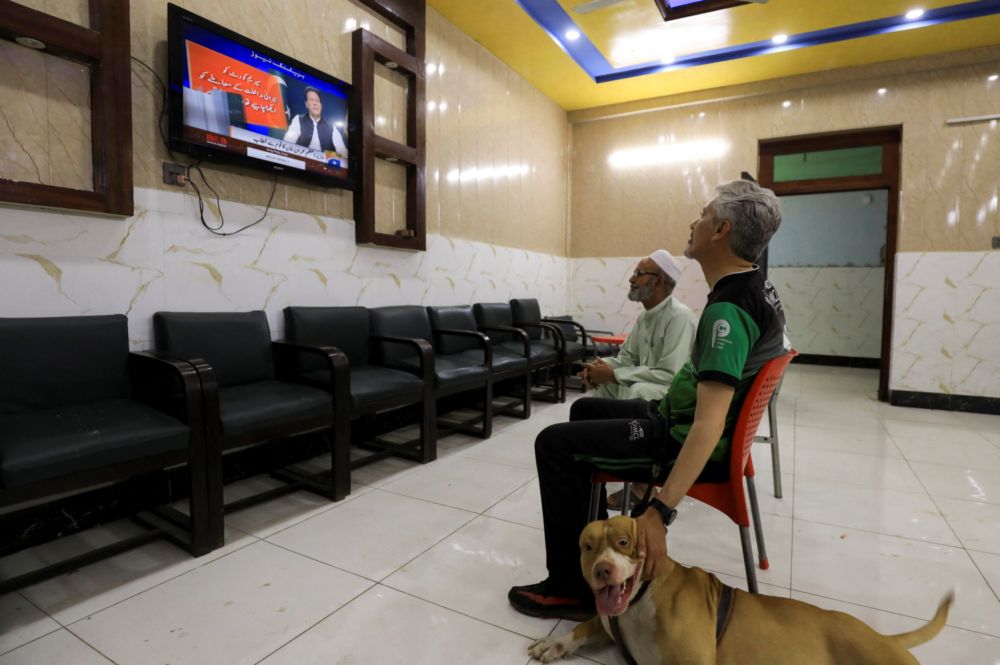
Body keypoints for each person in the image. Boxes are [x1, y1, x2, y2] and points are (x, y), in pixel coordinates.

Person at [508, 179, 790, 621]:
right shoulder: (756, 287)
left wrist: (660, 511)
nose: (694, 221)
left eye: (703, 214)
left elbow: (708, 424)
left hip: (676, 437)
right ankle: (604, 549)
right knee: (585, 409)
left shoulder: (727, 313)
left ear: (721, 231)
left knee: (554, 443)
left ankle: (569, 590)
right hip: (669, 415)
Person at [580, 249, 696, 401]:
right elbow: (627, 359)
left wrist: (614, 375)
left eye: (639, 274)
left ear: (658, 281)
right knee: (605, 383)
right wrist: (597, 368)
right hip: (649, 383)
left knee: (639, 390)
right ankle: (607, 425)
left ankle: (629, 425)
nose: (631, 279)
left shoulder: (679, 317)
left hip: (672, 390)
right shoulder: (644, 317)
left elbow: (670, 375)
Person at [283, 87, 348, 156]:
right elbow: (287, 143)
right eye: (311, 100)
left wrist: (327, 157)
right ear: (306, 104)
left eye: (317, 100)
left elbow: (343, 154)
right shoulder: (298, 119)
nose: (315, 103)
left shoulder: (332, 128)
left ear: (321, 105)